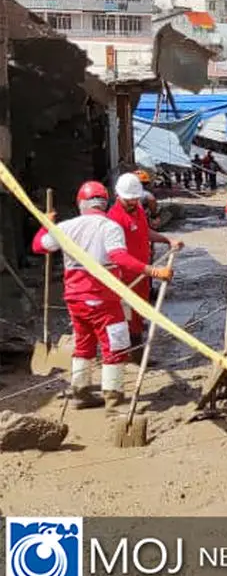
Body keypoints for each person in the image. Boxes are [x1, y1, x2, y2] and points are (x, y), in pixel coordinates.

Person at [31, 181, 174, 409]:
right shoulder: (109, 227)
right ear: (105, 202)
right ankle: (113, 396)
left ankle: (81, 391)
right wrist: (152, 270)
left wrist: (45, 225)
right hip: (103, 298)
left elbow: (39, 246)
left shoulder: (67, 227)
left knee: (84, 343)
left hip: (75, 298)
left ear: (81, 203)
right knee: (115, 344)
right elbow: (119, 258)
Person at [107, 172, 182, 346]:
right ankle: (131, 354)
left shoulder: (138, 209)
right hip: (125, 277)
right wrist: (154, 271)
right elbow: (119, 257)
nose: (133, 203)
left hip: (142, 273)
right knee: (126, 316)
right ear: (118, 195)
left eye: (135, 199)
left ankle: (137, 344)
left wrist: (167, 240)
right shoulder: (114, 220)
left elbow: (145, 232)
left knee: (140, 312)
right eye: (129, 200)